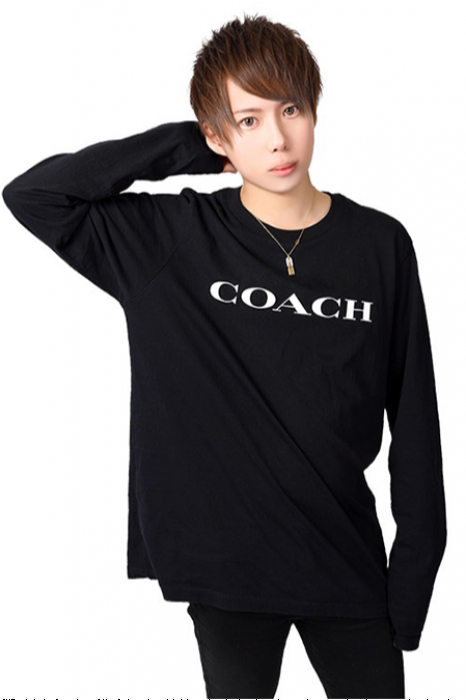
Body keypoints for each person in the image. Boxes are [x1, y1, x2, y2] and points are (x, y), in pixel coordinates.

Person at [2, 11, 447, 700]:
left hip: (347, 560)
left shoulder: (380, 244)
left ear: (314, 109)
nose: (277, 139)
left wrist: (413, 580)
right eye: (249, 120)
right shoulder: (171, 239)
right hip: (228, 568)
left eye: (290, 109)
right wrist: (196, 144)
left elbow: (415, 420)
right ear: (218, 135)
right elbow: (35, 195)